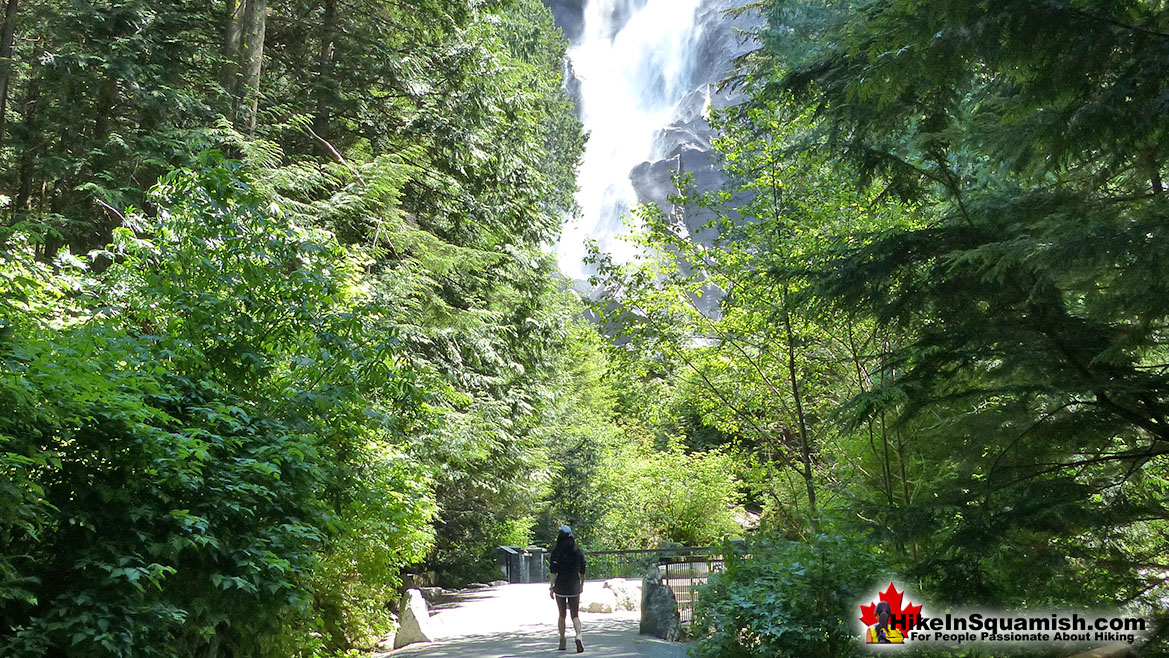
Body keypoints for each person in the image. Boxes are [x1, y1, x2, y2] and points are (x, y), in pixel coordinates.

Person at [549, 525, 587, 652]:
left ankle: (562, 640)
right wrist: (581, 584)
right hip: (574, 586)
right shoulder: (577, 551)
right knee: (575, 614)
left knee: (562, 614)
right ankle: (578, 635)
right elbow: (582, 569)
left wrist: (551, 587)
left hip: (560, 587)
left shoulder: (556, 552)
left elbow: (553, 572)